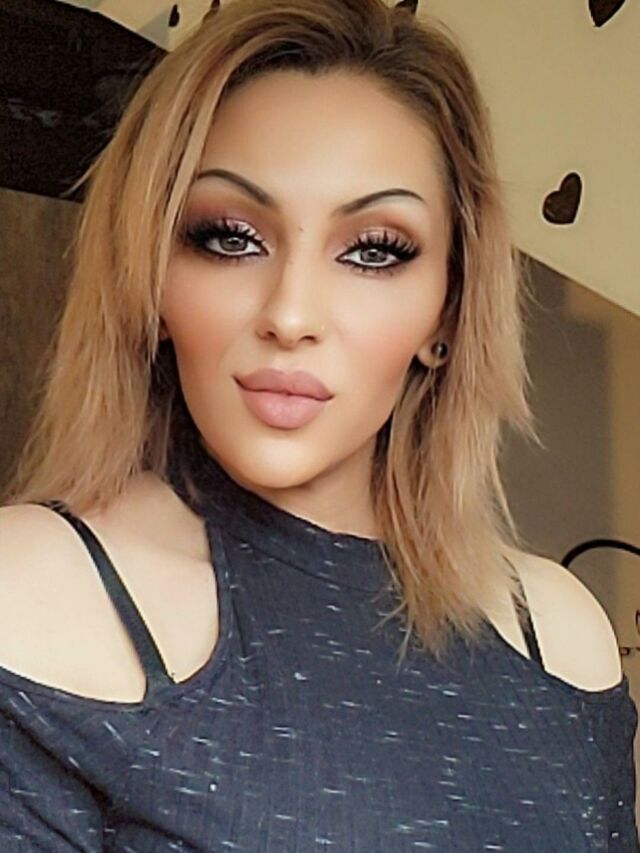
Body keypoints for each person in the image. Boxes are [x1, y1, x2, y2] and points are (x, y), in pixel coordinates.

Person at [0, 0, 637, 849]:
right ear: (149, 277)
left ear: (448, 311)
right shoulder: (36, 590)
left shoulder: (558, 634)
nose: (291, 314)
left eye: (374, 249)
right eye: (229, 237)